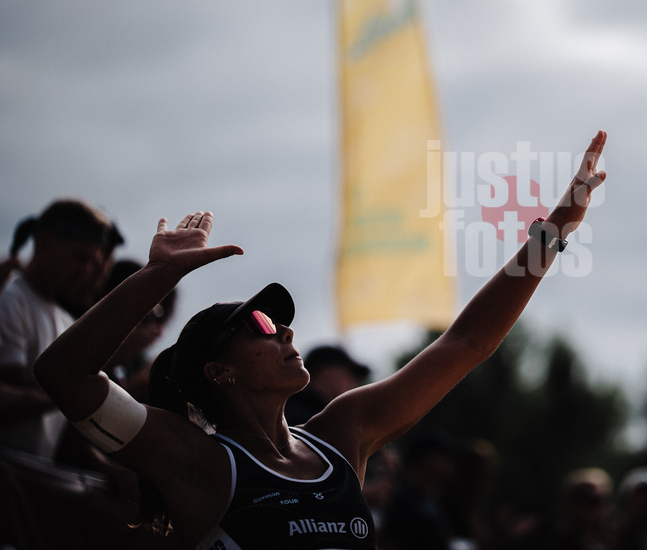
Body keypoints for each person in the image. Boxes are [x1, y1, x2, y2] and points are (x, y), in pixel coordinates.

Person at [33, 131, 608, 549]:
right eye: (259, 326)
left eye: (282, 321)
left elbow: (465, 344)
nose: (284, 330)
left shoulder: (342, 433)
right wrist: (156, 277)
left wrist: (554, 230)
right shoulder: (197, 460)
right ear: (218, 370)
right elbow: (64, 375)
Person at [0, 198, 123, 460]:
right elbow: (10, 392)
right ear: (44, 243)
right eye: (80, 258)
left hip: (31, 480)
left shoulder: (68, 323)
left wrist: (110, 470)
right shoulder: (10, 300)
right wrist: (73, 388)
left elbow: (65, 428)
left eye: (93, 262)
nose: (87, 271)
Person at [285, 343, 370, 425]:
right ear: (325, 375)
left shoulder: (292, 408)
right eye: (350, 374)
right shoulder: (310, 420)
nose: (353, 383)